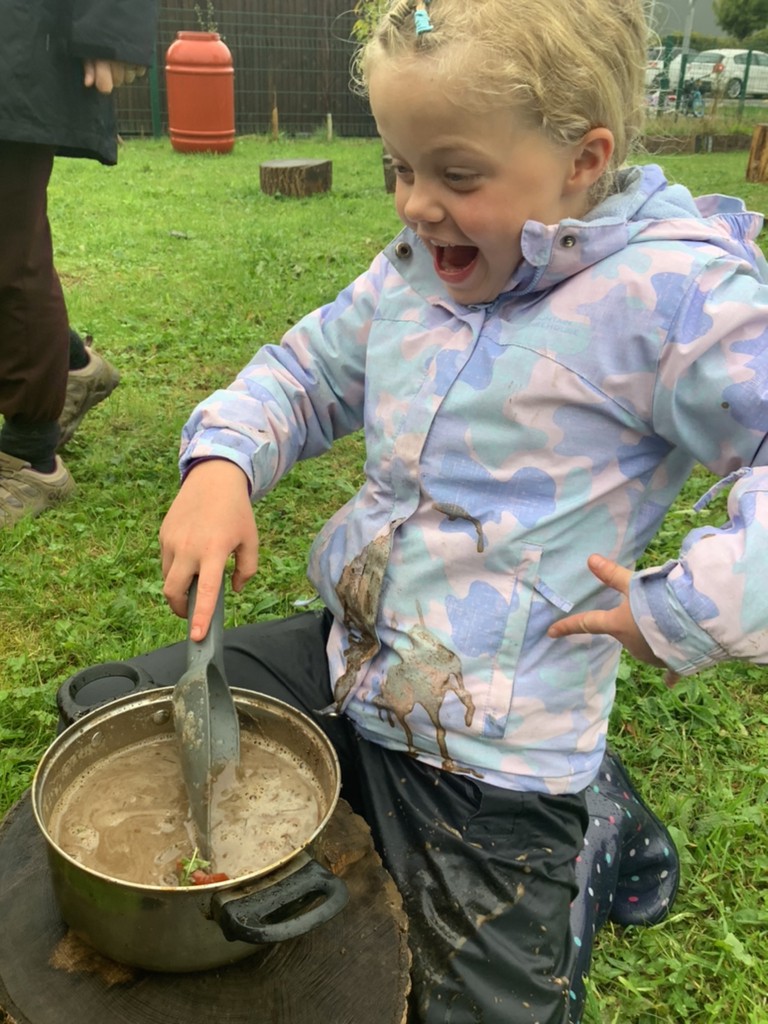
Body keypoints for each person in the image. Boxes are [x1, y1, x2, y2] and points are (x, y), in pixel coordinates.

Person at [140, 0, 768, 1020]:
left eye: (455, 175)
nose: (414, 206)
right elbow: (303, 374)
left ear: (582, 159)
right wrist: (221, 462)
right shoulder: (410, 278)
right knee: (119, 716)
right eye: (398, 166)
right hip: (351, 658)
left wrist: (699, 603)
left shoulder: (673, 298)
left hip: (492, 749)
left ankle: (592, 824)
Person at [0, 0, 158, 529]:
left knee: (7, 247)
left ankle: (30, 458)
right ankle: (67, 364)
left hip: (17, 42)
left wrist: (113, 27)